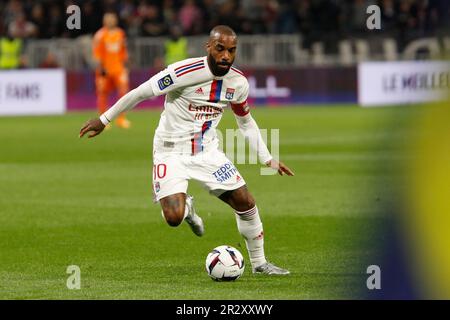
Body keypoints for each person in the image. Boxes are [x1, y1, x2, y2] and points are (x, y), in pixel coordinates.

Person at [80, 25, 294, 275]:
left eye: (232, 50)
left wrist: (268, 159)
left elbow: (245, 121)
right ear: (209, 47)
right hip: (169, 150)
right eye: (220, 49)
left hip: (207, 152)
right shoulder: (183, 72)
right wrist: (104, 120)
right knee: (173, 217)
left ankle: (259, 264)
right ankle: (187, 208)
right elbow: (141, 93)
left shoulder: (238, 83)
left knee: (245, 202)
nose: (226, 55)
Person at [92, 12, 130, 129]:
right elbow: (97, 54)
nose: (110, 21)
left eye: (112, 18)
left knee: (123, 94)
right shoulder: (100, 35)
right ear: (104, 21)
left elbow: (123, 51)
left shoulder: (120, 33)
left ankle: (121, 119)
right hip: (105, 70)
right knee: (103, 94)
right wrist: (100, 68)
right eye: (108, 19)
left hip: (119, 69)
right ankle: (104, 121)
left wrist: (125, 67)